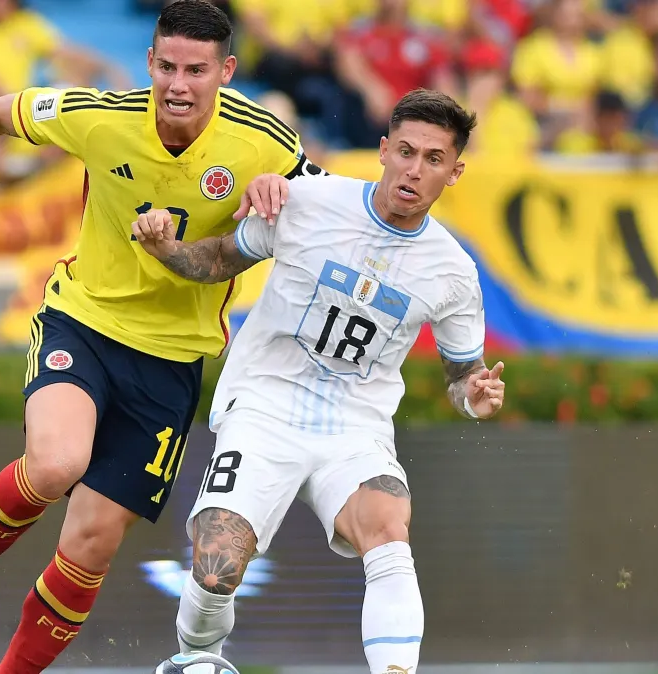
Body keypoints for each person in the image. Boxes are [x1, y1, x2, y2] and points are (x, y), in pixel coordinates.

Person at [0, 1, 324, 671]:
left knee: (90, 545)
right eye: (166, 66)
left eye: (196, 70)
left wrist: (287, 195)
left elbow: (333, 207)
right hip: (84, 322)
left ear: (225, 72)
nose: (178, 84)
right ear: (149, 63)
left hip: (171, 362)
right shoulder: (103, 117)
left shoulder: (265, 143)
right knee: (56, 464)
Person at [132, 88, 506, 674]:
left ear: (454, 172)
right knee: (218, 561)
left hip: (354, 426)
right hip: (263, 403)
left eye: (434, 159)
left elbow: (464, 378)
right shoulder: (307, 202)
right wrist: (167, 249)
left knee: (388, 528)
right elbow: (219, 260)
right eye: (406, 151)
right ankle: (197, 658)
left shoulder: (455, 272)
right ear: (382, 151)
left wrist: (474, 397)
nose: (414, 169)